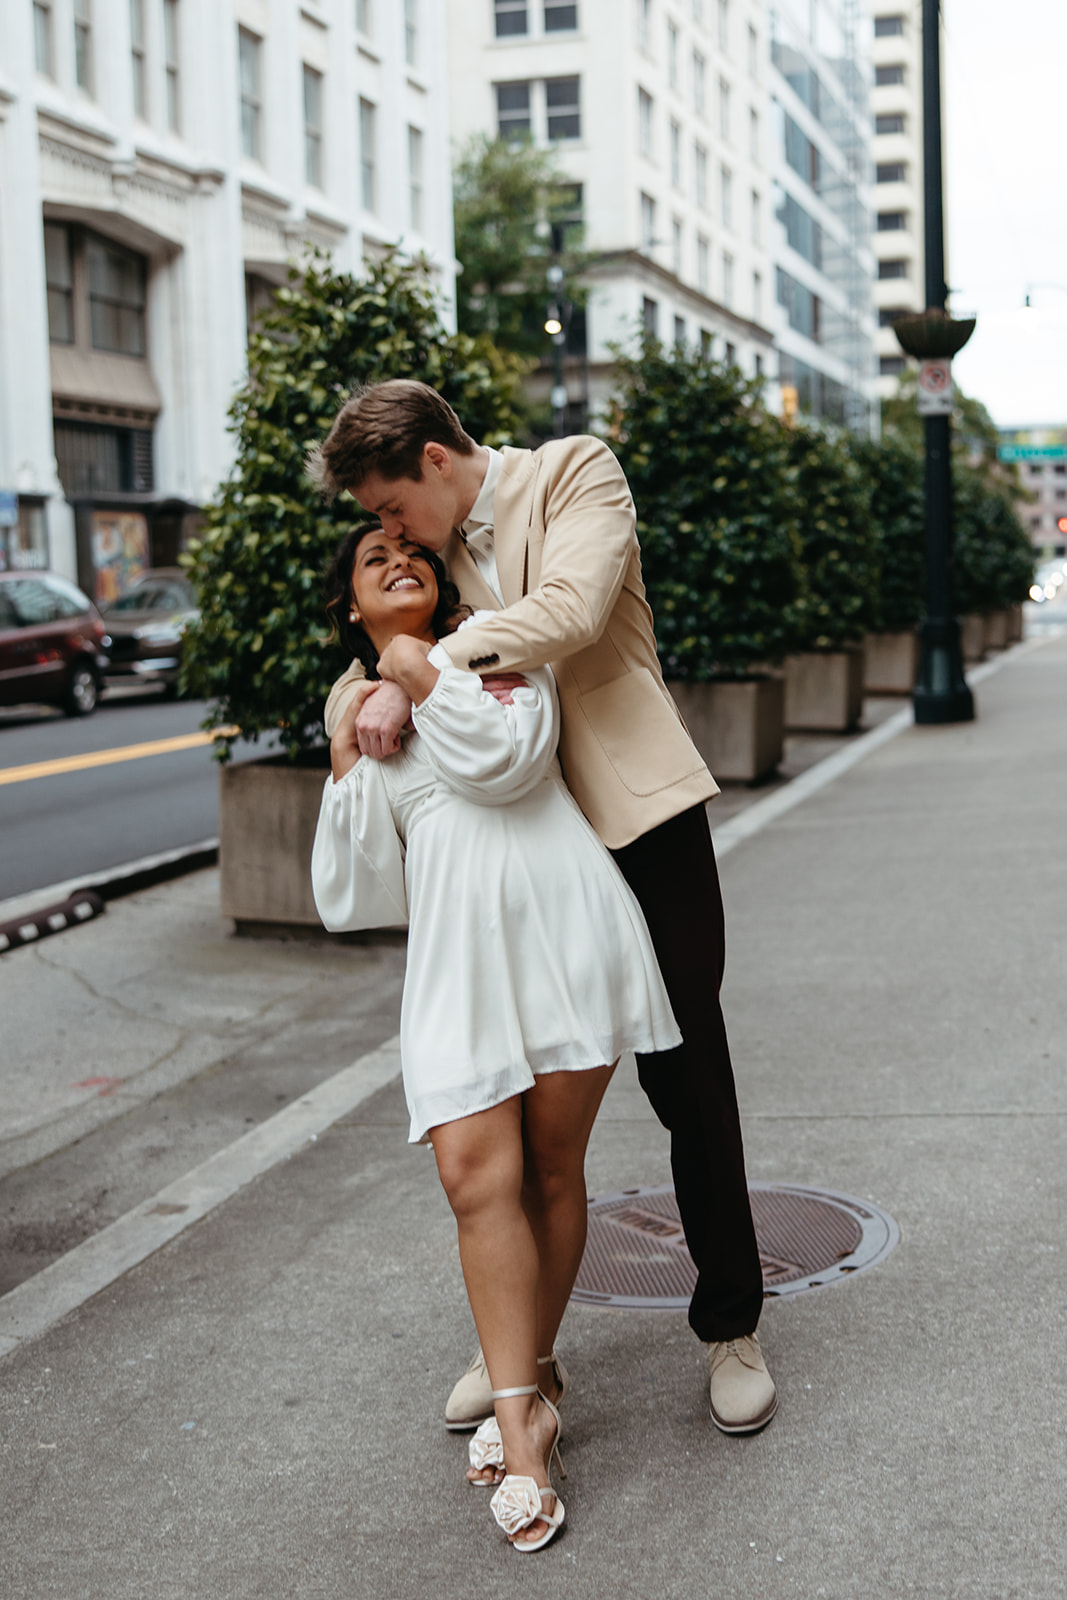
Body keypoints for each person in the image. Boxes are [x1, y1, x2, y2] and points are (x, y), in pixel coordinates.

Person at [309, 379, 777, 1438]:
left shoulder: (572, 472)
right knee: (511, 1113)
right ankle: (523, 1351)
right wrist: (368, 686)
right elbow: (365, 657)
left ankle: (730, 1324)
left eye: (390, 509)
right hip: (515, 845)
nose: (389, 535)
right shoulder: (418, 565)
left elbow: (566, 611)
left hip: (631, 813)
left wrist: (423, 664)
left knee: (686, 1072)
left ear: (434, 459)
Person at [311, 520, 681, 1551]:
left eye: (415, 553)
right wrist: (346, 751)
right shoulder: (357, 709)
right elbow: (353, 892)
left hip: (561, 931)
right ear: (348, 602)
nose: (400, 561)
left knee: (550, 1173)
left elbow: (510, 764)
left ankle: (525, 1391)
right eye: (374, 559)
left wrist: (411, 668)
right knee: (476, 1178)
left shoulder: (497, 650)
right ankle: (527, 1412)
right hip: (455, 967)